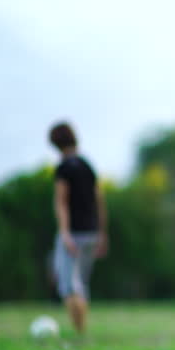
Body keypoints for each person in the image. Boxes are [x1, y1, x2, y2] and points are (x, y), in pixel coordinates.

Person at [49, 121, 108, 334]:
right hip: (92, 232)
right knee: (81, 285)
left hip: (73, 233)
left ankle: (79, 331)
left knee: (68, 287)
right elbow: (99, 200)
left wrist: (64, 233)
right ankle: (81, 331)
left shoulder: (63, 168)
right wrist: (102, 232)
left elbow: (61, 202)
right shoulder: (87, 165)